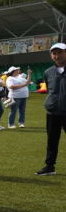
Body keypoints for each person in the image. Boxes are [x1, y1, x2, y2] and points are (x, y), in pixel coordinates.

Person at [36, 42, 66, 175]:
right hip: (53, 112)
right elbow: (50, 90)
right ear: (51, 56)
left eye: (60, 52)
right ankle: (49, 167)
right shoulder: (48, 72)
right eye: (54, 53)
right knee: (52, 140)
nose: (57, 55)